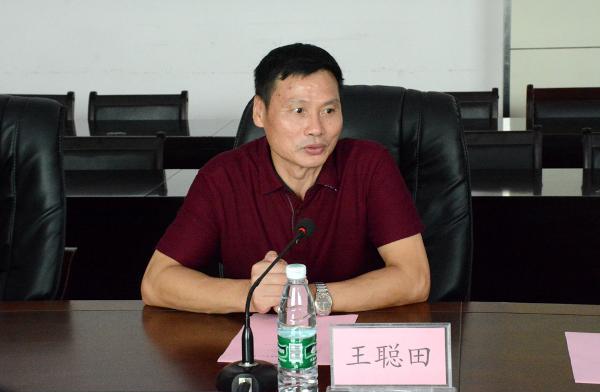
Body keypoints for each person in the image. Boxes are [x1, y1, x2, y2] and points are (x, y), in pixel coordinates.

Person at [141, 43, 430, 314]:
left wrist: (309, 297)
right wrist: (251, 293)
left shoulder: (369, 165)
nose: (316, 128)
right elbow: (157, 283)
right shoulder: (223, 177)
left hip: (353, 343)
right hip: (258, 346)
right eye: (298, 110)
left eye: (329, 110)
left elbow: (414, 279)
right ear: (259, 112)